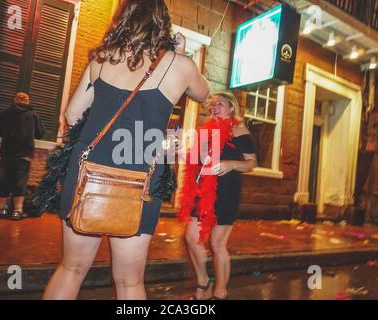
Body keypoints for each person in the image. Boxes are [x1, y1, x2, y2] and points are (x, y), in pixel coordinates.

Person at [43, 0, 209, 300]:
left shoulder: (102, 59)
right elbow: (202, 92)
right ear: (162, 23)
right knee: (130, 282)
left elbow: (71, 115)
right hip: (139, 176)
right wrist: (181, 54)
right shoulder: (179, 65)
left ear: (123, 19)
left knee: (72, 269)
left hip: (87, 172)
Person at [179, 91, 258, 300]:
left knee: (217, 244)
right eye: (212, 105)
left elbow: (252, 163)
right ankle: (203, 281)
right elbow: (198, 161)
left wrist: (232, 164)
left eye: (220, 104)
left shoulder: (239, 131)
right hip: (203, 192)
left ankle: (220, 292)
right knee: (191, 237)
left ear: (231, 107)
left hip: (226, 193)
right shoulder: (205, 131)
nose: (214, 108)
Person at [0, 92, 45, 220]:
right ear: (27, 101)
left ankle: (2, 210)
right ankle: (17, 211)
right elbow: (40, 134)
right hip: (24, 154)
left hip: (7, 153)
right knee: (20, 182)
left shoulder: (5, 113)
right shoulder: (33, 114)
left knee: (3, 181)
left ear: (15, 100)